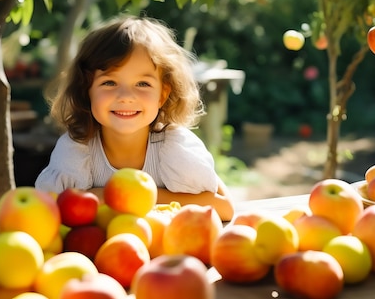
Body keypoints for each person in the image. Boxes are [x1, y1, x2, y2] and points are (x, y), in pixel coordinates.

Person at [35, 15, 235, 221]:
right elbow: (49, 208)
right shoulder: (77, 150)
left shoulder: (175, 147)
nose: (126, 97)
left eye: (142, 84)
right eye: (110, 82)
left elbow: (224, 207)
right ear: (87, 90)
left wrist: (123, 196)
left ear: (163, 94)